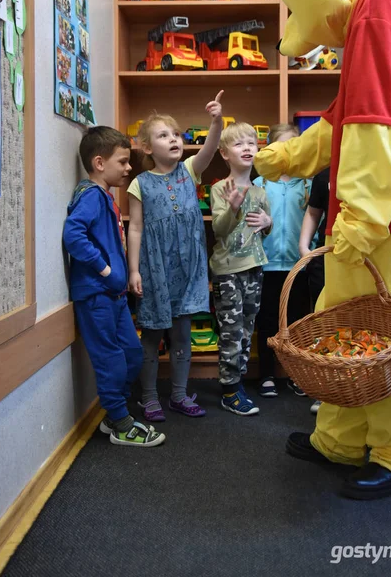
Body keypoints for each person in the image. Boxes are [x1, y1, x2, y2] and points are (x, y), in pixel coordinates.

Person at [247, 0, 391, 499]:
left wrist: (359, 214)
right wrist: (290, 156)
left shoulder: (379, 7)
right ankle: (341, 436)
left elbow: (373, 125)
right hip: (377, 210)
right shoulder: (379, 5)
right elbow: (345, 117)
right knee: (350, 332)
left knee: (387, 337)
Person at [63, 126, 165, 447]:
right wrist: (106, 269)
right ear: (99, 163)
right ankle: (121, 423)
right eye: (122, 161)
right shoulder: (91, 196)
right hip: (97, 296)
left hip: (115, 295)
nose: (129, 167)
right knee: (111, 358)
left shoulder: (103, 195)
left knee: (132, 354)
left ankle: (115, 413)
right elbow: (73, 235)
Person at [127, 92, 224, 422]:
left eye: (176, 134)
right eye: (163, 135)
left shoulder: (189, 170)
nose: (173, 139)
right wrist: (134, 271)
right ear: (146, 147)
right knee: (152, 335)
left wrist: (216, 122)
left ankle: (180, 395)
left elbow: (209, 149)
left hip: (187, 268)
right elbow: (136, 229)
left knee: (183, 335)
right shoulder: (139, 183)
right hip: (154, 270)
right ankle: (150, 398)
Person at [210, 122, 272, 415]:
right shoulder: (221, 188)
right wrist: (233, 207)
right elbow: (220, 230)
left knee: (247, 330)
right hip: (228, 271)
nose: (248, 148)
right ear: (224, 153)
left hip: (254, 268)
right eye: (239, 144)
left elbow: (265, 228)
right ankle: (229, 389)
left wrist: (268, 223)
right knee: (231, 331)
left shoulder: (261, 191)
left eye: (252, 143)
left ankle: (238, 383)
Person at [253, 123, 310, 398]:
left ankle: (297, 375)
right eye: (283, 147)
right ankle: (266, 373)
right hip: (267, 264)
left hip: (300, 266)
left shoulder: (309, 184)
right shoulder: (259, 184)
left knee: (299, 321)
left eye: (294, 147)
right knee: (267, 321)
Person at [299, 167, 330, 414]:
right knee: (322, 322)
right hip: (326, 257)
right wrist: (304, 247)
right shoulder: (324, 176)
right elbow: (313, 212)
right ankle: (324, 390)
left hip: (363, 260)